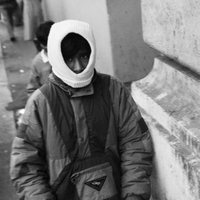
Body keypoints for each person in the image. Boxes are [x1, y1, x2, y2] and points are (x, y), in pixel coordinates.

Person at [10, 20, 153, 200]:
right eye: (69, 59)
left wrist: (134, 195)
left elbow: (136, 144)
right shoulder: (40, 102)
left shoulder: (113, 89)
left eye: (84, 56)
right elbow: (25, 165)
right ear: (56, 57)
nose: (78, 67)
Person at [26, 20, 54, 96]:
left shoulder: (68, 56)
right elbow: (32, 89)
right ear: (40, 44)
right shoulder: (37, 63)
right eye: (46, 45)